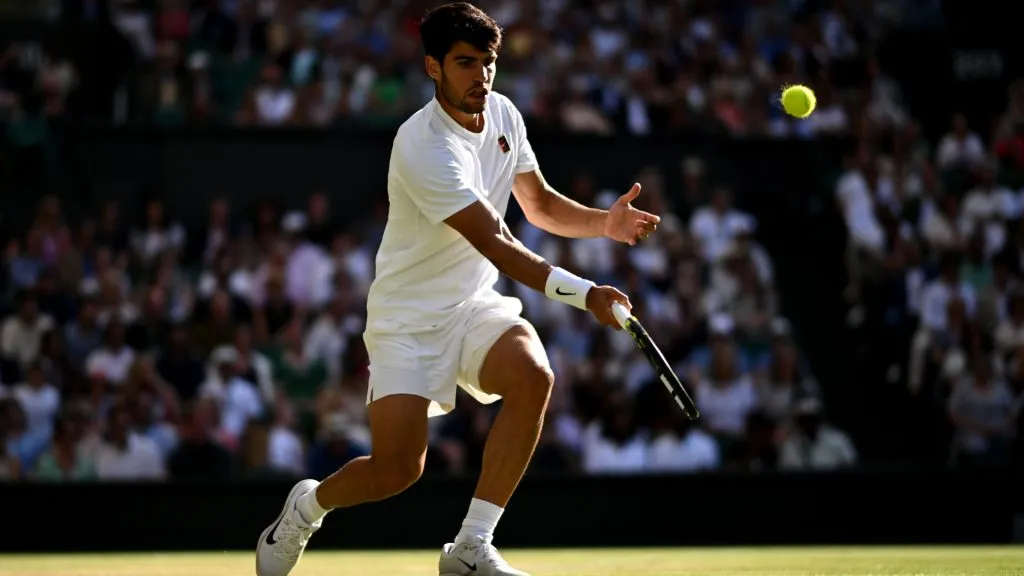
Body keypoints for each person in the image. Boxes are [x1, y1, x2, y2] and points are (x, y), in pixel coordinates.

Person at [255, 3, 660, 576]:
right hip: (406, 320)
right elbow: (495, 240)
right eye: (466, 63)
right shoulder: (421, 145)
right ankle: (305, 507)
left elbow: (539, 204)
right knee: (398, 470)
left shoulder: (503, 115)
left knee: (534, 377)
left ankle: (472, 546)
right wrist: (584, 292)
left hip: (474, 306)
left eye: (488, 62)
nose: (482, 76)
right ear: (433, 68)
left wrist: (604, 223)